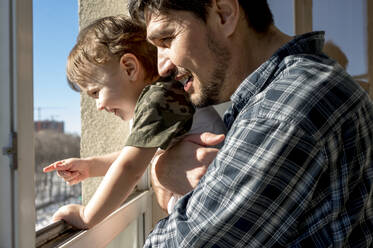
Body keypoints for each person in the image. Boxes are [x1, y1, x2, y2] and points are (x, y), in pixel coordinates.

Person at [128, 0, 373, 247]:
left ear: (224, 14)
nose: (162, 67)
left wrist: (161, 172)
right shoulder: (314, 78)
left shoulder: (282, 110)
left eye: (167, 39)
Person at [43, 15, 226, 229]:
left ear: (130, 68)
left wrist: (86, 216)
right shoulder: (162, 96)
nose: (99, 105)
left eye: (96, 92)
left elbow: (130, 167)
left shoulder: (159, 99)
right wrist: (90, 166)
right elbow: (135, 156)